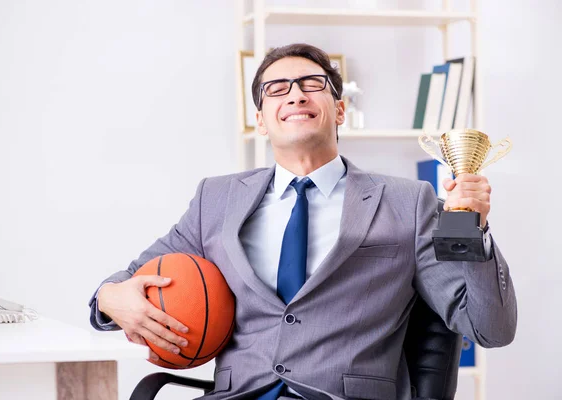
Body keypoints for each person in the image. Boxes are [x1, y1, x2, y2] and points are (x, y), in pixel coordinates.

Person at [89, 43, 517, 400]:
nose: (295, 96)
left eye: (313, 85)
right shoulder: (215, 200)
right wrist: (110, 297)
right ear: (259, 119)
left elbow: (489, 328)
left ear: (340, 109)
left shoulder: (411, 201)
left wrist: (469, 226)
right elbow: (128, 279)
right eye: (277, 89)